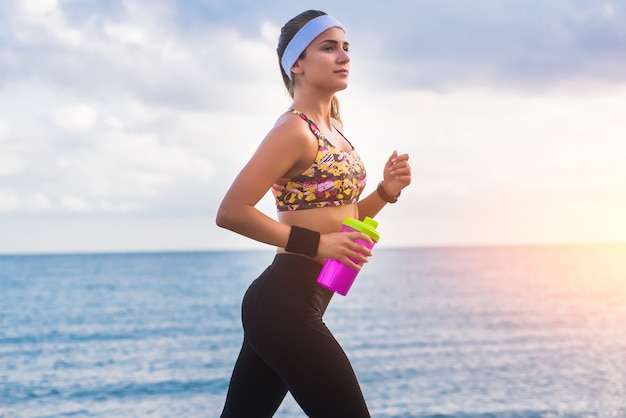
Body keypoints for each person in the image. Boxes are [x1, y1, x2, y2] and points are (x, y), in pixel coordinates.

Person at [216, 9, 411, 417]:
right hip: (283, 302)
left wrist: (384, 192)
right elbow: (232, 212)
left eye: (346, 48)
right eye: (329, 47)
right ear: (297, 65)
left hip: (303, 297)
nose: (344, 56)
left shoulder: (334, 127)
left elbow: (343, 215)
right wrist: (319, 244)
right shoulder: (294, 130)